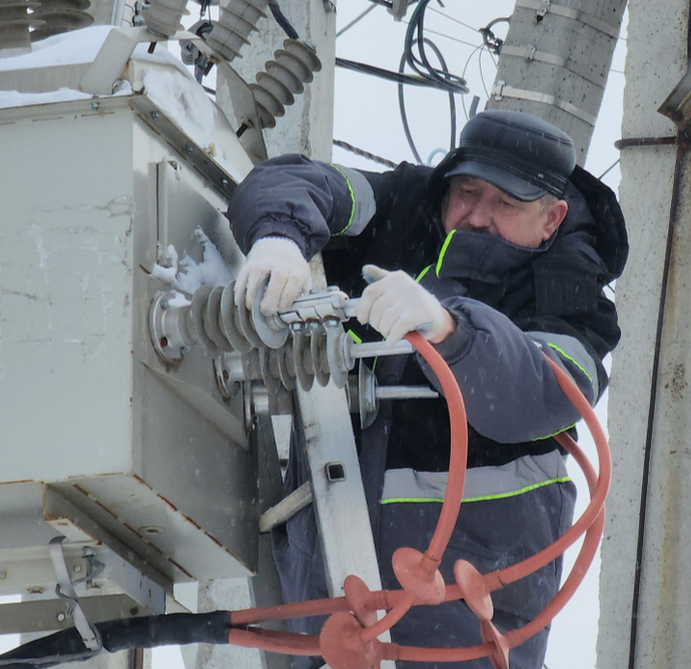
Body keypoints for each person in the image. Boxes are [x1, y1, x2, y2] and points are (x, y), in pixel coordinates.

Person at [225, 110, 628, 669]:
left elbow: (541, 396)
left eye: (505, 204)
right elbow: (295, 180)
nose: (476, 216)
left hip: (464, 615)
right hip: (331, 602)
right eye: (466, 191)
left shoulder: (570, 290)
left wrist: (452, 331)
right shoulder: (405, 205)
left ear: (551, 218)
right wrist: (278, 236)